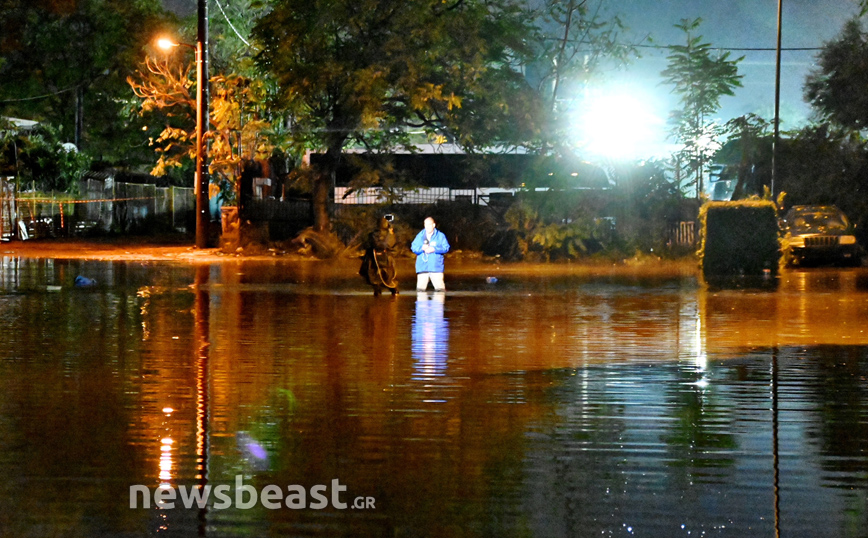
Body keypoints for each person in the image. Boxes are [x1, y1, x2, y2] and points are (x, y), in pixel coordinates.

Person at [359, 217, 399, 296]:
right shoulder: (380, 234)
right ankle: (385, 292)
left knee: (382, 279)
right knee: (383, 278)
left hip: (382, 260)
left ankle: (383, 292)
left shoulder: (376, 234)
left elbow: (389, 245)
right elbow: (387, 245)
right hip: (377, 260)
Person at [410, 216, 450, 291]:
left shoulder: (440, 236)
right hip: (422, 268)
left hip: (436, 268)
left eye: (429, 224)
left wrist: (434, 249)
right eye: (425, 224)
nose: (427, 227)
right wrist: (422, 248)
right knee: (420, 292)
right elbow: (413, 248)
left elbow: (446, 248)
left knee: (440, 291)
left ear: (433, 225)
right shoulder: (420, 236)